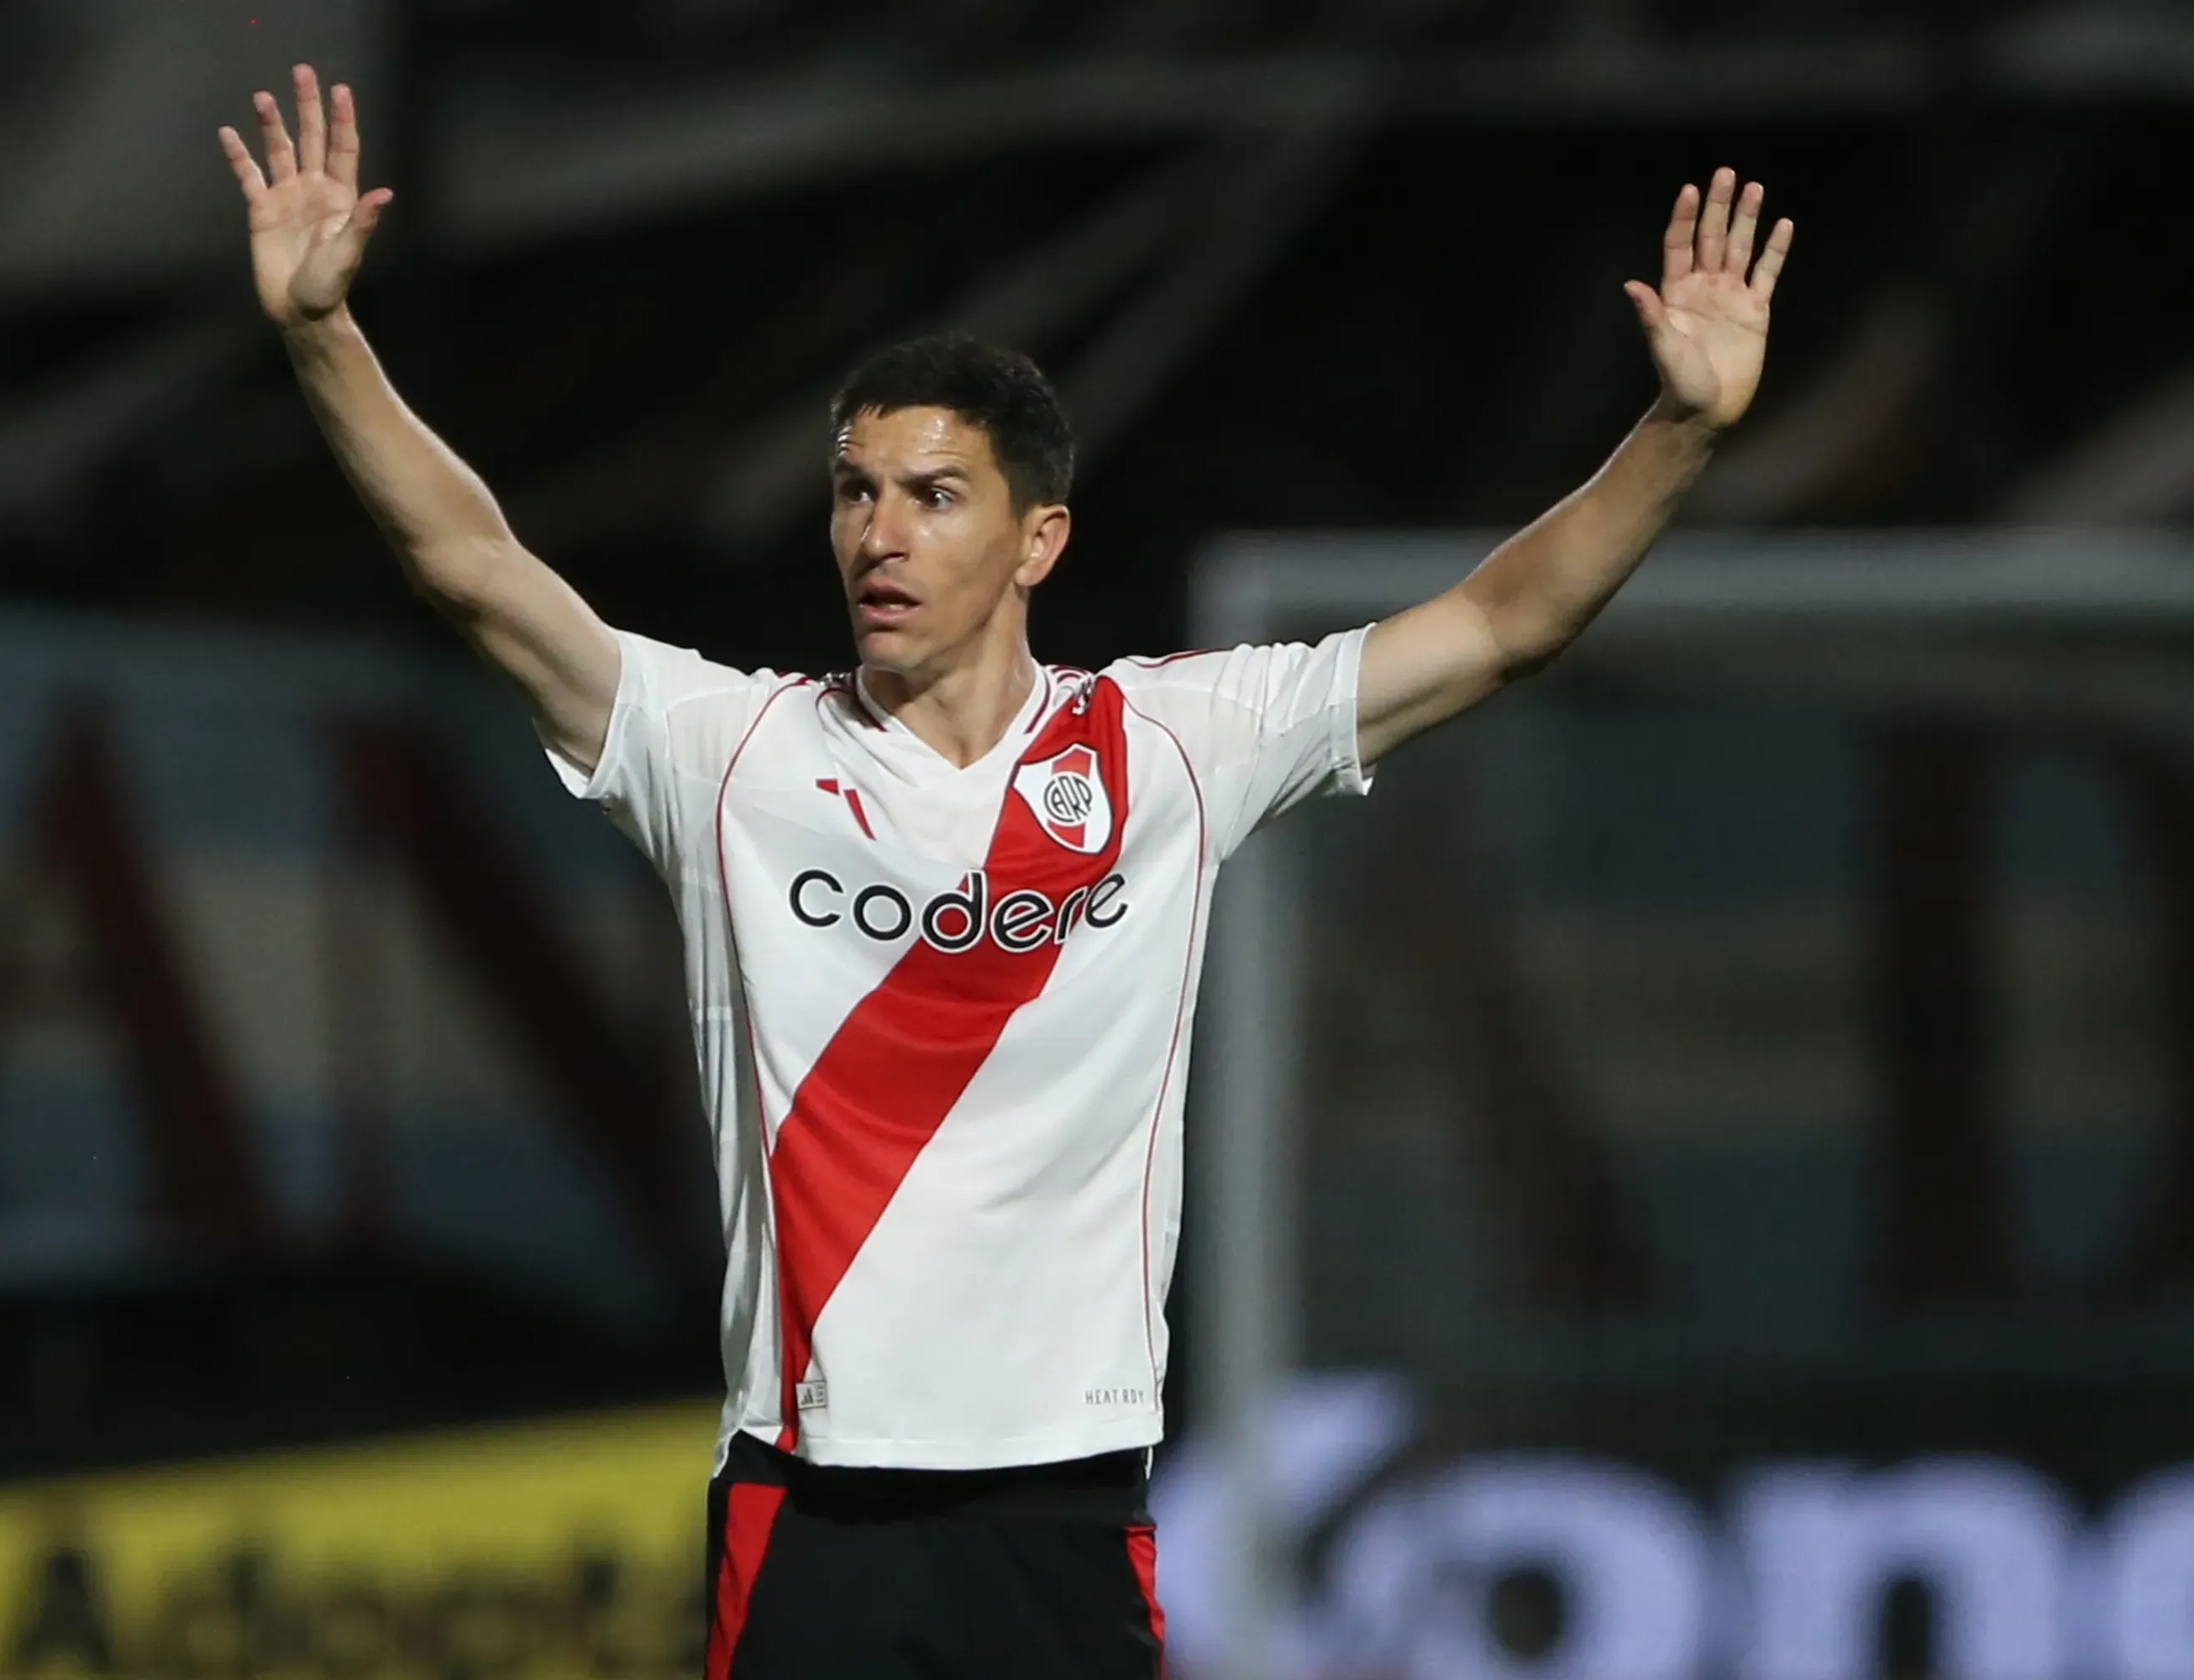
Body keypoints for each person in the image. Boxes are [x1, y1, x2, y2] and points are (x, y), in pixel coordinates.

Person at [219, 64, 1792, 1680]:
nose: (878, 535)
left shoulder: (1173, 747)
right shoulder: (729, 753)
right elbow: (471, 566)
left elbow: (1504, 623)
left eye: (933, 497)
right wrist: (322, 333)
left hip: (1061, 1507)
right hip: (808, 1504)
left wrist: (1678, 429)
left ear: (1037, 540)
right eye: (854, 493)